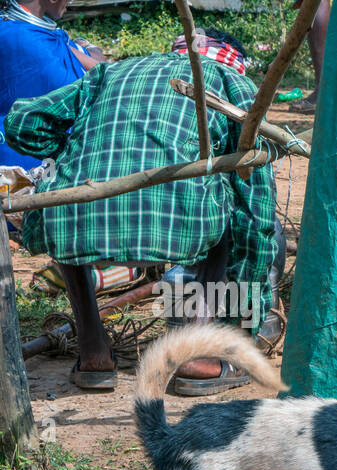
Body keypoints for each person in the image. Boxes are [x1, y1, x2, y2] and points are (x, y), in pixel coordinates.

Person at [5, 52, 278, 393]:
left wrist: (71, 151)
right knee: (230, 202)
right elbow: (255, 213)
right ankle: (195, 354)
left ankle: (94, 350)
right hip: (182, 223)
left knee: (68, 190)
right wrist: (245, 323)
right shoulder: (232, 83)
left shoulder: (108, 73)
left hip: (81, 221)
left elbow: (22, 121)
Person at [0, 0, 106, 169]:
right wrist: (87, 47)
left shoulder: (42, 37)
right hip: (28, 170)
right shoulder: (33, 45)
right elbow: (99, 74)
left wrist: (84, 48)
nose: (70, 1)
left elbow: (95, 63)